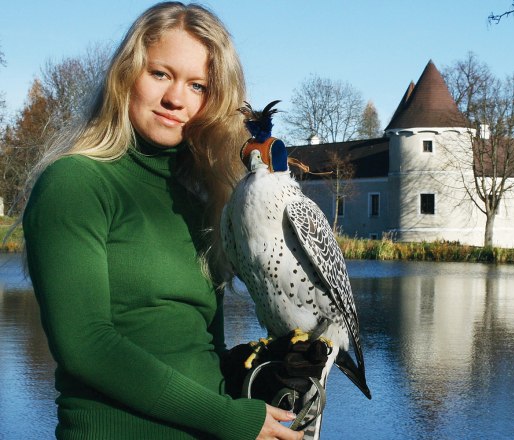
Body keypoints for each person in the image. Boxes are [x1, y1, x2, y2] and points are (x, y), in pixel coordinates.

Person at [22, 2, 303, 439]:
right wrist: (232, 420)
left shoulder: (202, 199)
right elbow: (85, 346)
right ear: (125, 75)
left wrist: (259, 368)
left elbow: (196, 344)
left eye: (198, 86)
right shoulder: (75, 183)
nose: (176, 98)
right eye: (160, 74)